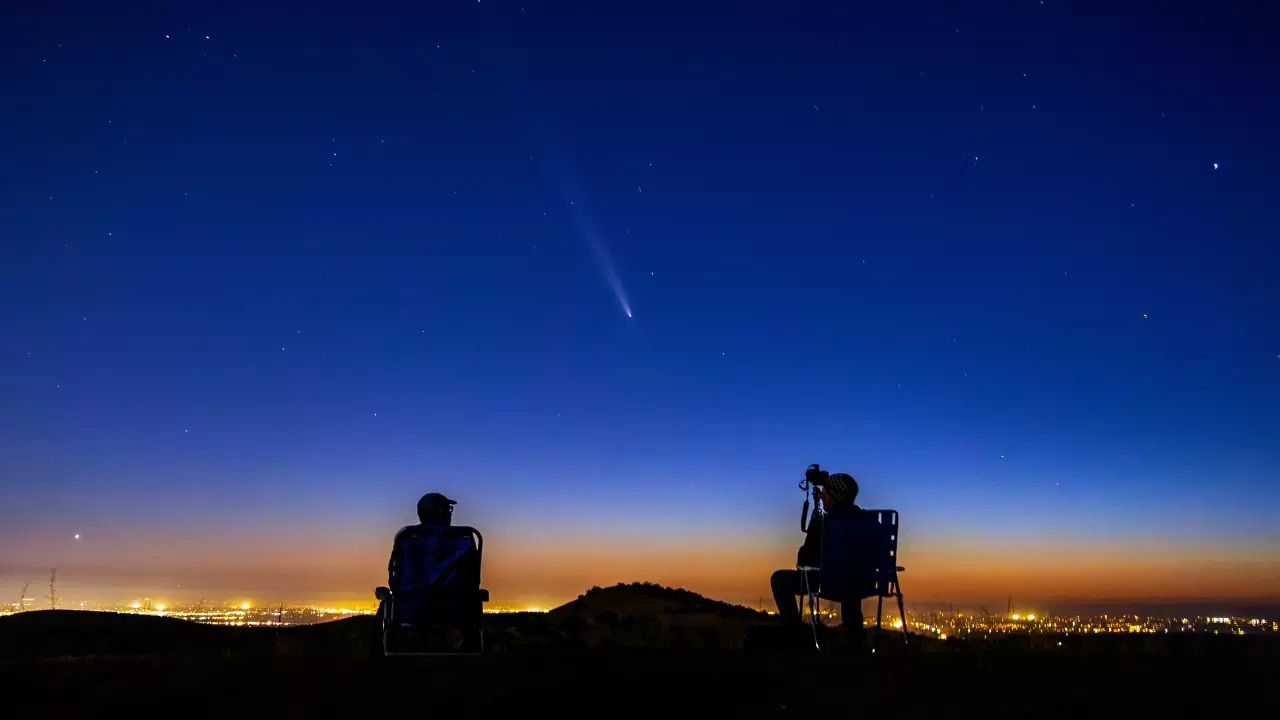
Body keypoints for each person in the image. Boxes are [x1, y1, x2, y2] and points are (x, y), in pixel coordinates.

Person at [770, 472, 866, 632]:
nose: (821, 497)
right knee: (851, 572)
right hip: (862, 583)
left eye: (825, 493)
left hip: (828, 583)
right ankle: (854, 631)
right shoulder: (865, 522)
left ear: (834, 496)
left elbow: (805, 562)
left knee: (779, 579)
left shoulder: (824, 523)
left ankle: (794, 631)